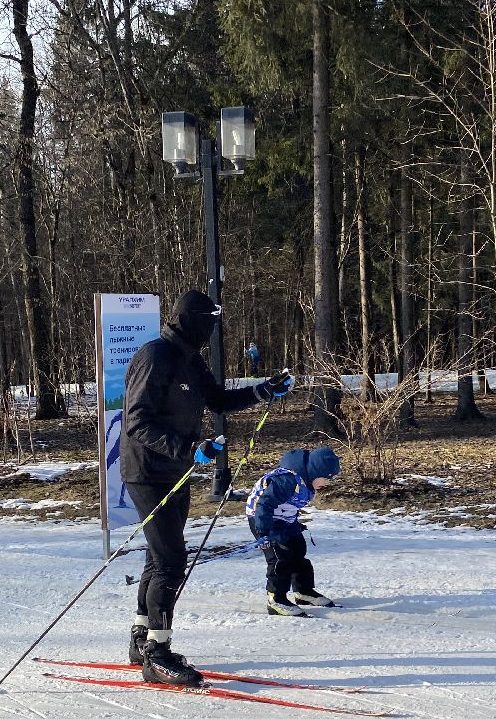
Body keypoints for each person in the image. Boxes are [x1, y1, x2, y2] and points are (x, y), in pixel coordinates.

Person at [121, 289, 292, 686]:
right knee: (171, 561)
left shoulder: (189, 359)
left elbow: (216, 400)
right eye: (206, 323)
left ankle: (141, 639)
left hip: (176, 469)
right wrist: (188, 449)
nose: (209, 332)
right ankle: (157, 656)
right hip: (148, 470)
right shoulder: (154, 356)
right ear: (188, 319)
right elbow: (137, 421)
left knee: (160, 554)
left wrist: (262, 391)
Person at [244, 446, 342, 616]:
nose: (327, 483)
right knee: (279, 558)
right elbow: (264, 504)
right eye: (325, 479)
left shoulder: (305, 481)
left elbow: (290, 504)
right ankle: (276, 599)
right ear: (314, 472)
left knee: (298, 550)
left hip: (284, 520)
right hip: (264, 520)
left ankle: (303, 592)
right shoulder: (288, 480)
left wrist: (294, 523)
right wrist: (263, 532)